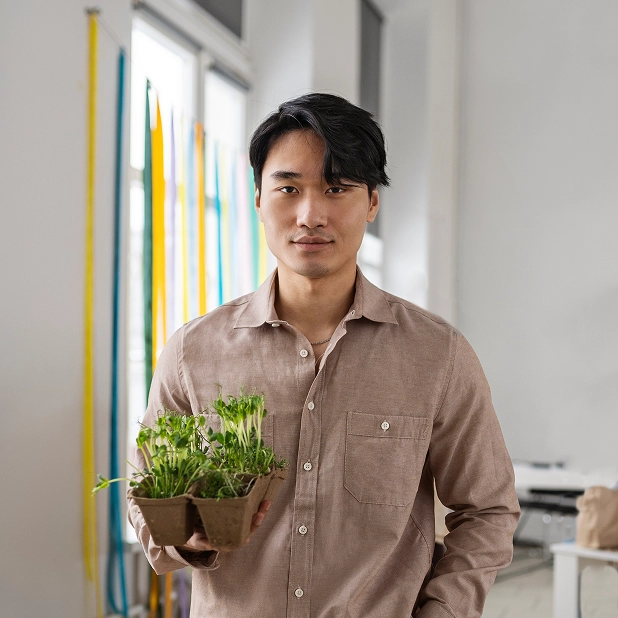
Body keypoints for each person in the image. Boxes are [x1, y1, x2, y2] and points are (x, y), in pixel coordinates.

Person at [129, 93, 520, 617]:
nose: (311, 214)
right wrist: (186, 539)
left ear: (372, 202)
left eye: (337, 188)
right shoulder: (193, 352)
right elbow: (142, 492)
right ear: (258, 198)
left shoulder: (437, 355)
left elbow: (488, 509)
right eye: (288, 188)